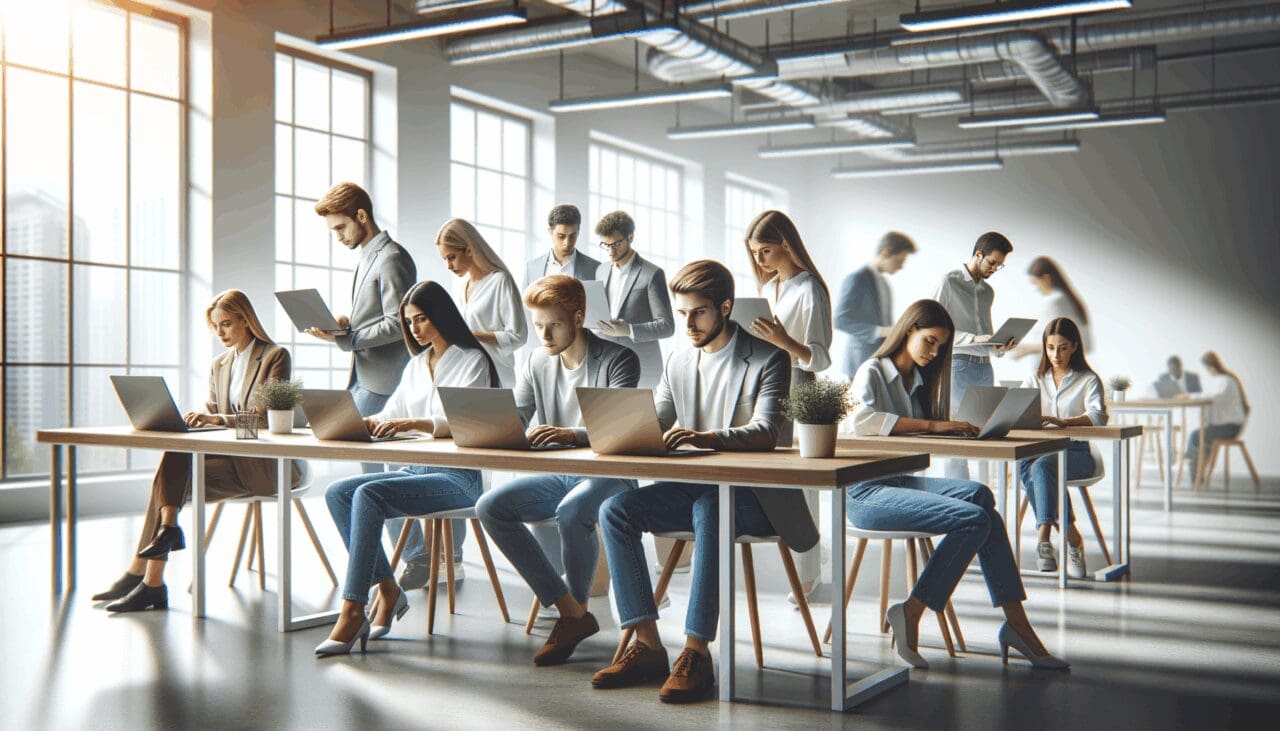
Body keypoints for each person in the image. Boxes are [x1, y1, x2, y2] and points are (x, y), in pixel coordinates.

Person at [591, 260, 818, 704]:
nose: (688, 324)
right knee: (615, 509)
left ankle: (696, 652)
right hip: (697, 487)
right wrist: (593, 430)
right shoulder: (678, 360)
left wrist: (705, 436)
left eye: (698, 312)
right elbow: (656, 422)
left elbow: (766, 431)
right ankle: (648, 645)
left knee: (712, 508)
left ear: (725, 308)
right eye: (681, 314)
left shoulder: (769, 357)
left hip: (757, 496)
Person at [848, 299, 1068, 671]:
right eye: (930, 341)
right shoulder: (872, 370)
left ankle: (1016, 623)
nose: (934, 353)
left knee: (980, 495)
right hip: (865, 492)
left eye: (940, 347)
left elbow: (921, 439)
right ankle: (914, 610)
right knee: (974, 519)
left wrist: (965, 427)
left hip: (900, 483)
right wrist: (936, 425)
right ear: (909, 330)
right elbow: (862, 421)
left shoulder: (918, 381)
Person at [318, 281, 499, 656]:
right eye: (409, 321)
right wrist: (366, 422)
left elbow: (470, 423)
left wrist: (416, 424)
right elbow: (392, 414)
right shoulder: (416, 364)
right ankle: (388, 588)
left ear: (441, 316)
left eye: (421, 319)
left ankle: (353, 609)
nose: (414, 328)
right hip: (416, 471)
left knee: (369, 493)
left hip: (459, 478)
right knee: (338, 493)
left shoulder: (473, 360)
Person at [92, 290, 303, 612]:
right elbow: (214, 414)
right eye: (215, 326)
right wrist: (199, 420)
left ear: (246, 320)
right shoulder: (220, 364)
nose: (220, 332)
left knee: (165, 488)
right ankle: (159, 555)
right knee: (177, 453)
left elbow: (265, 420)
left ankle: (144, 573)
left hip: (264, 465)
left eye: (226, 324)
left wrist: (217, 419)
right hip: (228, 460)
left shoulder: (275, 356)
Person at [475, 274, 641, 667]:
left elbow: (618, 428)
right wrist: (488, 424)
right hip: (561, 474)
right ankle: (571, 611)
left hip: (609, 474)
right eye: (537, 326)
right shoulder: (536, 360)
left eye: (554, 325)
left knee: (571, 511)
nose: (544, 336)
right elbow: (518, 416)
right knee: (490, 507)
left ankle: (575, 611)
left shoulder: (619, 359)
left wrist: (571, 434)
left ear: (578, 318)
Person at [742, 209, 833, 602]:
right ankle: (801, 560)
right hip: (766, 383)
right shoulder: (769, 287)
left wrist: (783, 341)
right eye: (754, 253)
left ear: (785, 244)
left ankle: (808, 574)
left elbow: (820, 358)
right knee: (775, 475)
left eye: (765, 250)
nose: (759, 259)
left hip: (798, 385)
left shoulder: (809, 288)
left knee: (800, 480)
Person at [305, 182, 417, 435]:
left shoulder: (391, 258)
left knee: (351, 445)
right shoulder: (368, 257)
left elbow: (398, 323)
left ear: (362, 216)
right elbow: (374, 315)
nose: (339, 237)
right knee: (342, 442)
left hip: (383, 382)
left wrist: (347, 338)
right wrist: (344, 325)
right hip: (361, 376)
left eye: (341, 227)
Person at [1017, 317, 1108, 578]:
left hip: (1076, 453)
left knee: (1042, 467)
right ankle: (1072, 537)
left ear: (1075, 347)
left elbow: (1099, 416)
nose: (1056, 354)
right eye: (1050, 348)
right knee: (1031, 464)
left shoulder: (1087, 379)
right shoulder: (1035, 378)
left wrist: (1065, 422)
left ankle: (1043, 536)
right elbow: (1017, 410)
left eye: (1063, 348)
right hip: (1038, 451)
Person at [932, 231, 1015, 479]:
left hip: (984, 366)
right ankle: (959, 495)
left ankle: (981, 490)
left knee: (986, 434)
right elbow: (932, 325)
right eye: (992, 262)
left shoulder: (988, 292)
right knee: (958, 437)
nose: (994, 269)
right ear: (978, 254)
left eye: (1000, 266)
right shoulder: (949, 282)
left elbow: (985, 332)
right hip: (958, 366)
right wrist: (972, 339)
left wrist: (998, 347)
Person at [591, 211, 675, 388]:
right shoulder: (601, 270)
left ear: (630, 237)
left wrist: (629, 330)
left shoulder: (652, 274)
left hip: (643, 367)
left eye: (616, 244)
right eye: (605, 245)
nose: (610, 251)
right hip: (606, 364)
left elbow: (667, 326)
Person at [835, 231, 916, 377]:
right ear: (886, 253)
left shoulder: (885, 284)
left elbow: (884, 320)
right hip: (859, 361)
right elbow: (840, 320)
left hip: (881, 360)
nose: (901, 266)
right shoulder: (856, 278)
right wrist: (881, 331)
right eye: (900, 260)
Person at [1186, 351, 1251, 479]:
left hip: (1230, 428)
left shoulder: (1226, 381)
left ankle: (1191, 463)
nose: (1208, 372)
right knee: (1203, 436)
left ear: (1211, 367)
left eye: (1207, 369)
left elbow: (1215, 397)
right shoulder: (1226, 379)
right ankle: (1196, 470)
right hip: (1229, 426)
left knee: (1196, 435)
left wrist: (1190, 396)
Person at [1012, 256, 1091, 358]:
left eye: (1035, 283)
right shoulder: (1067, 299)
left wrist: (1028, 349)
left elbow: (1059, 343)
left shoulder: (1055, 301)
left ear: (1046, 279)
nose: (1036, 289)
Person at [524, 204, 601, 286]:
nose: (567, 243)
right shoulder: (531, 268)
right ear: (550, 231)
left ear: (578, 232)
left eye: (572, 236)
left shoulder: (596, 268)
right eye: (561, 236)